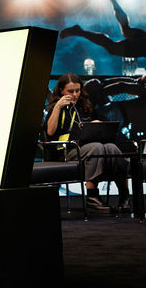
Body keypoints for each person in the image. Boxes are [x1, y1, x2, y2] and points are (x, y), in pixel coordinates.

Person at [60, 0, 146, 97]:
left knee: (126, 30)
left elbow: (142, 79)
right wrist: (103, 92)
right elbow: (123, 86)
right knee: (113, 48)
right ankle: (80, 32)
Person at [44, 73, 130, 212]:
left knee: (112, 148)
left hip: (89, 146)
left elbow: (102, 126)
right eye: (70, 91)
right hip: (68, 151)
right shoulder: (56, 108)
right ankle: (92, 197)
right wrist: (58, 107)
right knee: (96, 148)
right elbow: (50, 131)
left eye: (77, 90)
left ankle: (124, 196)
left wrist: (97, 123)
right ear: (61, 91)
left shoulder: (85, 107)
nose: (75, 94)